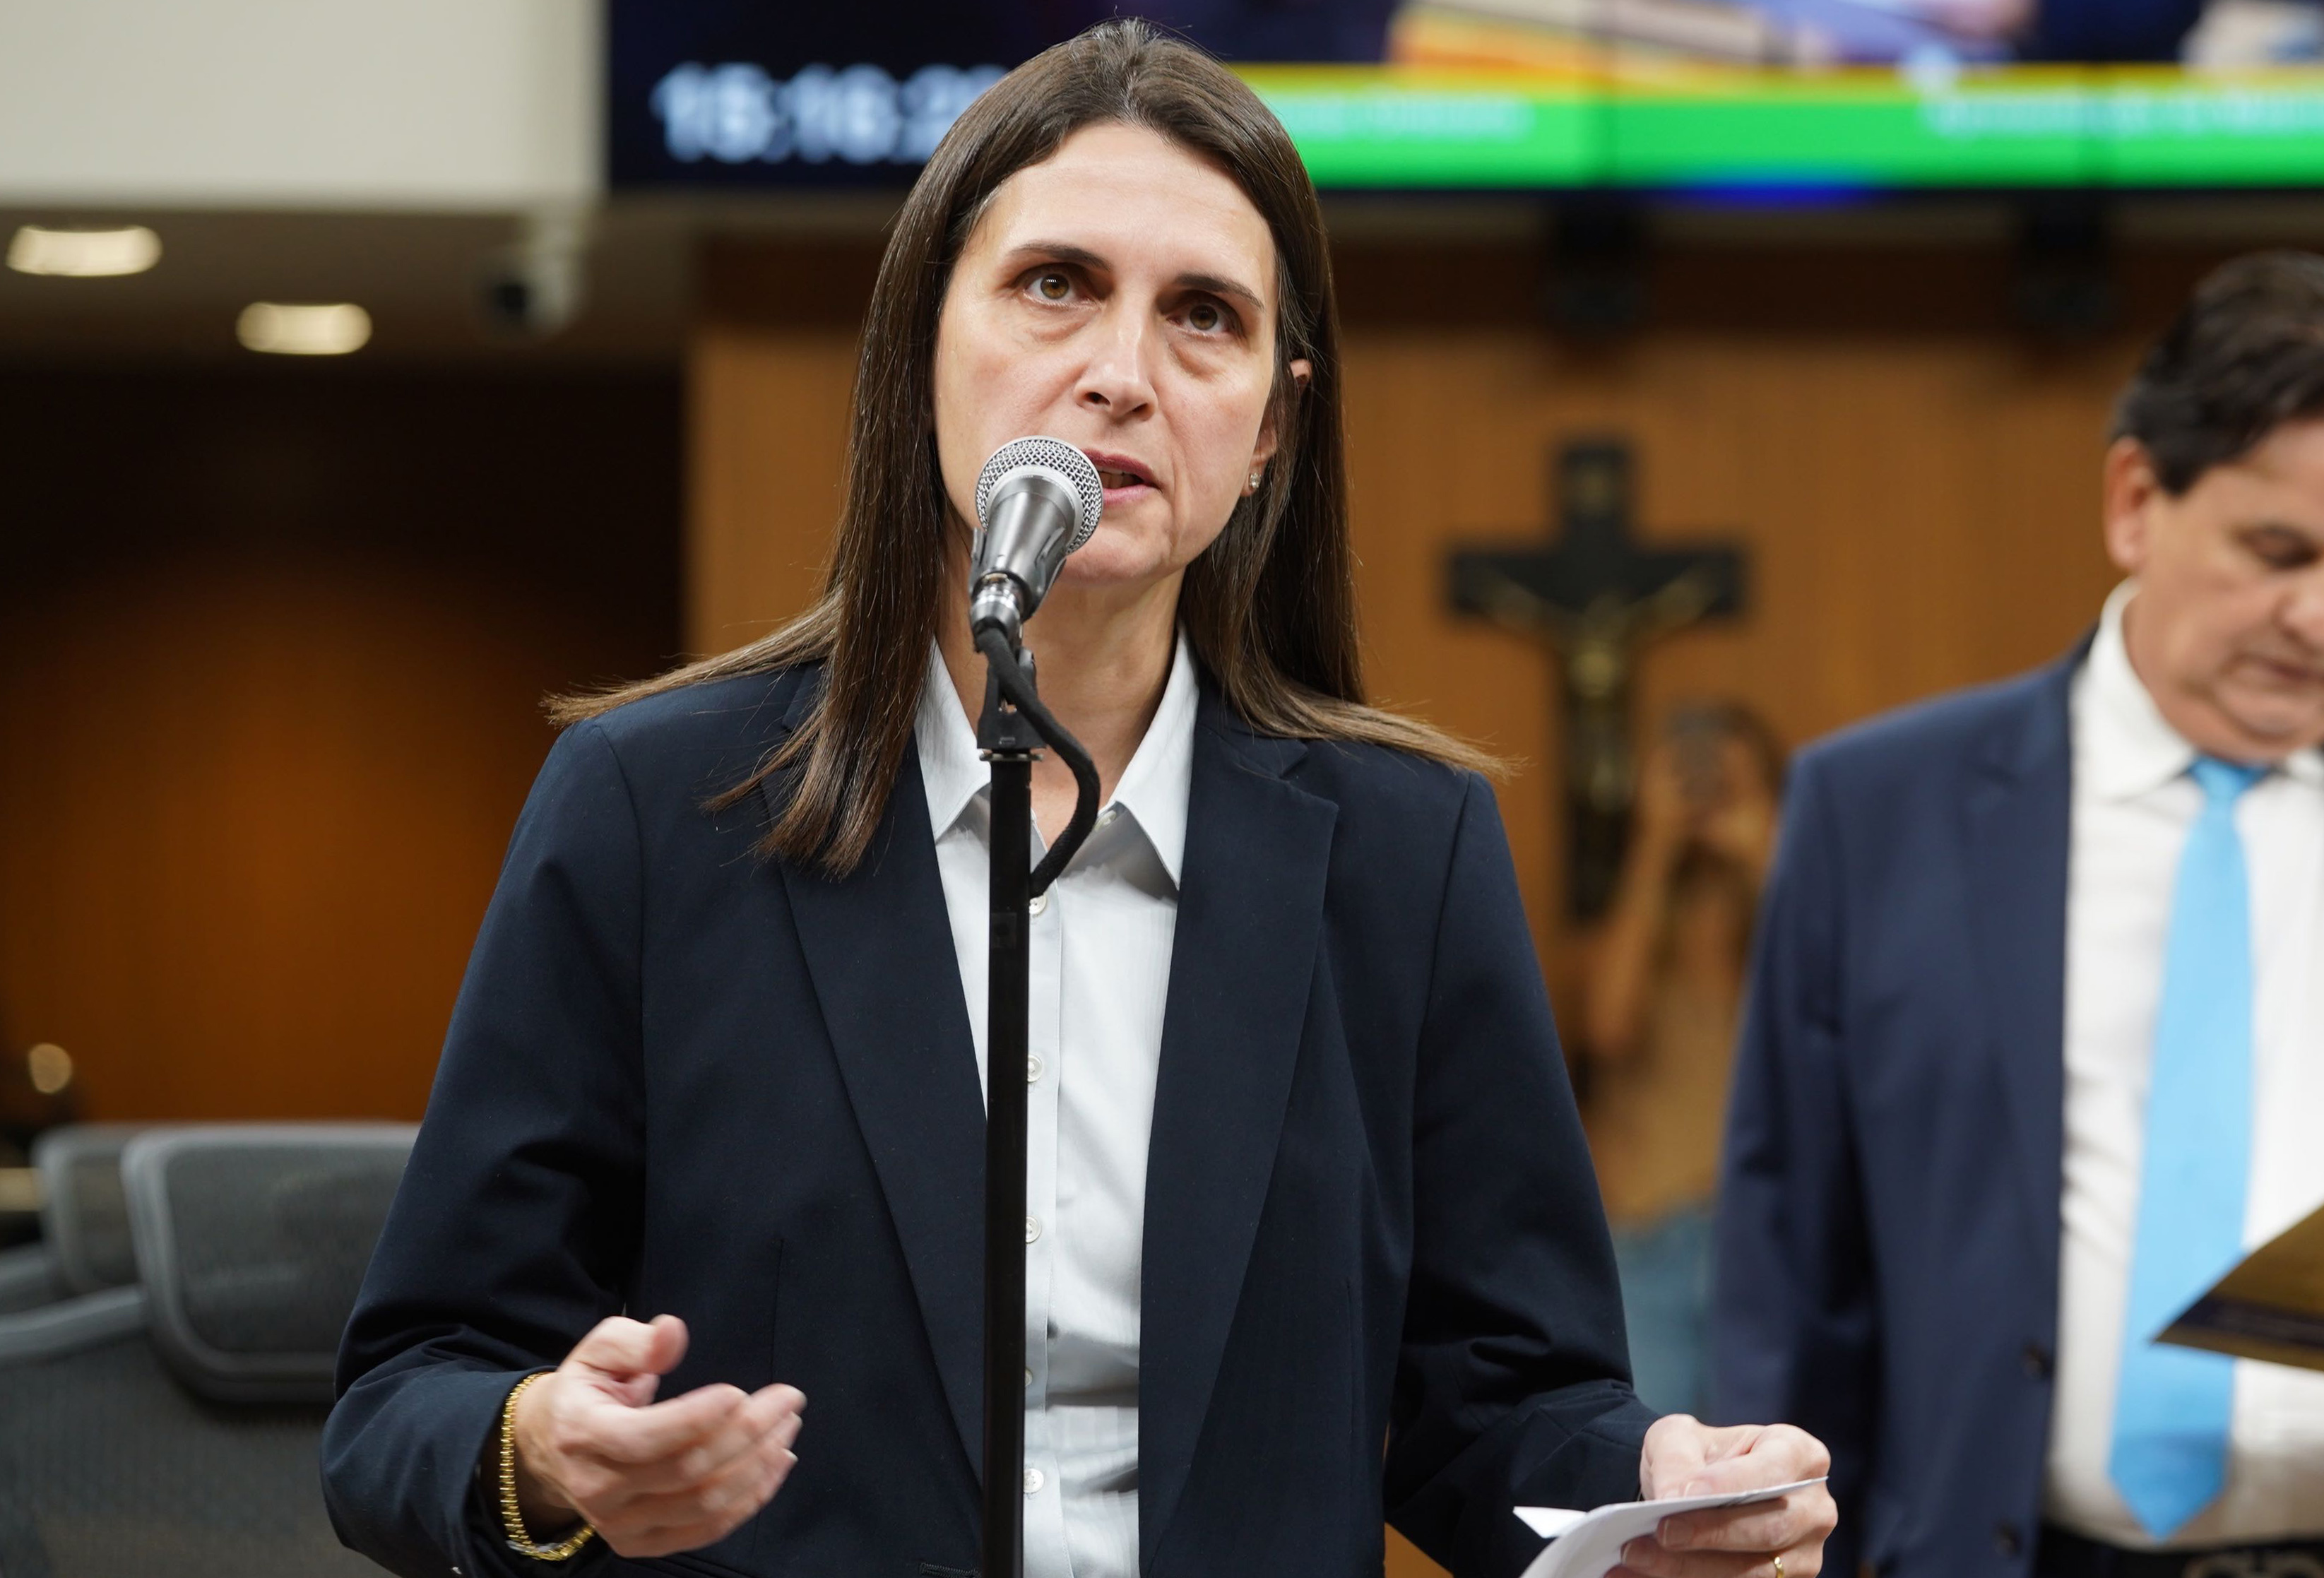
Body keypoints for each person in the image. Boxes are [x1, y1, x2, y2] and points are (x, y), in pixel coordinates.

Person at [324, 21, 1837, 1578]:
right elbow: (404, 1396)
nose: (1120, 375)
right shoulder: (657, 808)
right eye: (1055, 284)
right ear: (924, 343)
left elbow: (1497, 1400)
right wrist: (546, 1445)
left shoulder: (1404, 850)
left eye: (1203, 316)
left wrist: (1647, 1474)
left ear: (1270, 427)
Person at [1717, 250, 2324, 1577]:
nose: (2322, 616)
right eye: (2278, 551)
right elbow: (1792, 1280)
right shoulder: (1877, 812)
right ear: (2135, 500)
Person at [1583, 704, 1783, 1420]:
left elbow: (1839, 1002)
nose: (1705, 793)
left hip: (1765, 1244)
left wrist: (1766, 849)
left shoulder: (1786, 904)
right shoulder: (1635, 913)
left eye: (1726, 778)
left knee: (1768, 1464)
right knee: (1651, 1463)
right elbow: (1606, 1027)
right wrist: (1653, 846)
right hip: (1648, 1240)